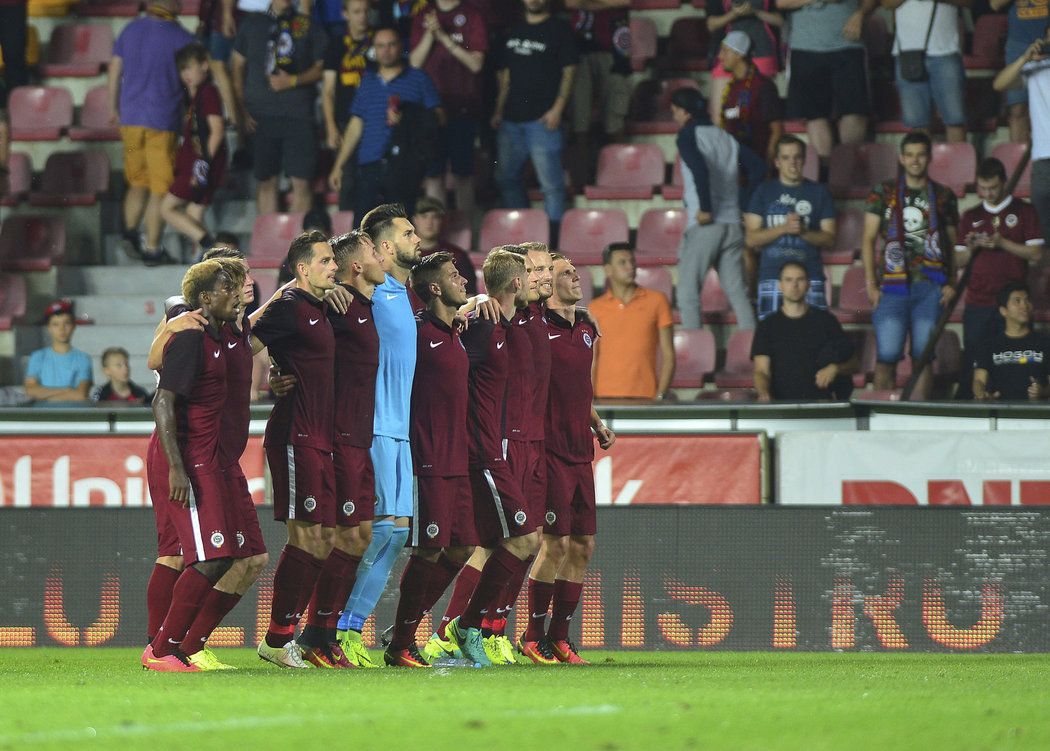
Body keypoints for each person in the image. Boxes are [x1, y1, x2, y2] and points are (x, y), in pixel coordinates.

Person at [142, 260, 243, 671]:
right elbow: (161, 399)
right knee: (191, 555)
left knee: (211, 556)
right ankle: (161, 647)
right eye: (230, 286)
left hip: (208, 456)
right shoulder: (188, 333)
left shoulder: (218, 335)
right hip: (189, 458)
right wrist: (177, 468)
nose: (238, 291)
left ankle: (171, 645)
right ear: (204, 296)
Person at [336, 204, 423, 667]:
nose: (418, 240)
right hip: (370, 428)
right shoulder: (362, 294)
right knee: (373, 534)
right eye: (408, 234)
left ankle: (351, 629)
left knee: (395, 536)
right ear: (384, 246)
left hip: (400, 431)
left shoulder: (406, 296)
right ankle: (331, 628)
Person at [441, 249, 535, 667]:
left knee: (479, 543)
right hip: (481, 452)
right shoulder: (479, 323)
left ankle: (458, 628)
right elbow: (444, 343)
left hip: (494, 447)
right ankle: (464, 625)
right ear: (517, 282)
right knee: (521, 539)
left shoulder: (505, 325)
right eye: (532, 273)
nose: (539, 280)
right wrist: (466, 305)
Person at [250, 231, 339, 668]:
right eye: (324, 260)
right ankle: (277, 639)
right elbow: (243, 343)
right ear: (302, 268)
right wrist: (265, 381)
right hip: (294, 434)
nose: (333, 266)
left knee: (324, 539)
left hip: (322, 437)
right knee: (306, 537)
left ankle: (284, 636)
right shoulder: (287, 306)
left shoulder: (322, 308)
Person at [524, 253, 615, 665]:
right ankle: (532, 634)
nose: (575, 278)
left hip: (581, 449)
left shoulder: (585, 329)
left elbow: (581, 388)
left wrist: (597, 423)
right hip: (550, 450)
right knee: (554, 543)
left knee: (583, 544)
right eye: (565, 274)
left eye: (576, 273)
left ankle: (560, 637)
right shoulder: (535, 327)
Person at [385, 251, 473, 668]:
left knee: (461, 548)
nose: (465, 281)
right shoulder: (417, 334)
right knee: (429, 551)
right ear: (435, 288)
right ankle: (401, 641)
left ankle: (403, 628)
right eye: (455, 276)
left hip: (458, 457)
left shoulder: (455, 331)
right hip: (427, 456)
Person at [862, 131, 959, 398]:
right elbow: (868, 239)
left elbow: (952, 244)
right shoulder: (883, 192)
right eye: (910, 155)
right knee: (887, 355)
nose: (915, 161)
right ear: (902, 159)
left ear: (929, 158)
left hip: (930, 286)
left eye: (921, 155)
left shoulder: (943, 195)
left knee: (923, 356)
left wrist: (952, 281)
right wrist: (871, 285)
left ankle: (919, 416)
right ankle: (880, 417)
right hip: (892, 287)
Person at [109, 0, 196, 264]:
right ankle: (153, 248)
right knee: (160, 188)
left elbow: (114, 70)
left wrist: (113, 108)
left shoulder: (130, 30)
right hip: (162, 121)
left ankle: (130, 232)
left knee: (137, 182)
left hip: (130, 120)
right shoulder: (182, 37)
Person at [329, 27, 442, 224]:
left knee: (400, 233)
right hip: (369, 164)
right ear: (374, 49)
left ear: (401, 47)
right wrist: (338, 165)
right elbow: (356, 124)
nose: (386, 50)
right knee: (362, 232)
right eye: (380, 46)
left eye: (391, 44)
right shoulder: (367, 81)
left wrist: (408, 116)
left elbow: (440, 117)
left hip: (404, 166)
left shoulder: (418, 78)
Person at [954, 157, 1044, 398]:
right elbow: (959, 260)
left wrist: (1002, 242)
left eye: (993, 187)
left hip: (1014, 302)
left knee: (1021, 360)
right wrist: (972, 247)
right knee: (976, 359)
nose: (988, 193)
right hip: (978, 300)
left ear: (1004, 182)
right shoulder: (970, 215)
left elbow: (1036, 253)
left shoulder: (1023, 210)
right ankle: (979, 405)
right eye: (982, 188)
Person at [670, 87, 757, 331]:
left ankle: (695, 356)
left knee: (687, 293)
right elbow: (758, 168)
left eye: (675, 112)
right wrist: (744, 203)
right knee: (739, 295)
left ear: (685, 113)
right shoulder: (725, 136)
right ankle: (754, 351)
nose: (675, 117)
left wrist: (706, 208)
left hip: (706, 225)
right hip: (732, 225)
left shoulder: (687, 135)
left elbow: (700, 169)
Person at [232, 0, 328, 214]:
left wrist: (293, 80)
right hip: (261, 115)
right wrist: (241, 110)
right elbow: (237, 66)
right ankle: (269, 246)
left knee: (302, 184)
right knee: (266, 182)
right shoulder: (252, 23)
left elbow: (322, 67)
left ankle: (299, 247)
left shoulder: (307, 24)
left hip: (298, 115)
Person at [492, 0, 578, 228]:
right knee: (505, 179)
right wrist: (498, 111)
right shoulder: (513, 31)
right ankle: (523, 234)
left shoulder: (560, 29)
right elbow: (505, 77)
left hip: (544, 120)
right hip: (511, 120)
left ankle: (553, 239)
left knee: (551, 185)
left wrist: (558, 109)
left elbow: (570, 71)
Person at [775, 0, 876, 173]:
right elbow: (781, 2)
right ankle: (825, 172)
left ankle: (847, 171)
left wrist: (861, 14)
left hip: (848, 44)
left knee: (855, 112)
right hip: (805, 47)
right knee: (814, 115)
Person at [409, 0, 488, 217]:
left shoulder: (471, 14)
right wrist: (430, 34)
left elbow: (476, 64)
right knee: (434, 175)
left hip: (463, 106)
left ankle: (466, 237)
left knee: (463, 174)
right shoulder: (423, 14)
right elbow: (414, 63)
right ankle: (439, 237)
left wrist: (443, 36)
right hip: (431, 110)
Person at [744, 135, 836, 320]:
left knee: (815, 337)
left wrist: (803, 231)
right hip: (772, 277)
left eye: (797, 157)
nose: (792, 163)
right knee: (772, 342)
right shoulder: (763, 191)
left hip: (810, 277)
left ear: (804, 160)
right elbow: (751, 238)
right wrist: (784, 228)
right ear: (777, 162)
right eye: (786, 158)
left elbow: (830, 239)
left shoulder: (819, 192)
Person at [161, 43, 229, 262]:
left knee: (167, 208)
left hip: (201, 164)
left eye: (190, 68)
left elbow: (217, 131)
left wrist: (202, 165)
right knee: (194, 213)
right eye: (182, 70)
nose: (186, 74)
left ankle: (210, 246)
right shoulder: (196, 95)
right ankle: (211, 258)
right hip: (200, 163)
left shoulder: (208, 93)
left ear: (205, 66)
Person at [751, 261, 855, 401]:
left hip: (820, 406)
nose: (794, 285)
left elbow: (854, 363)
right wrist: (763, 393)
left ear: (808, 285)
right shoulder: (767, 326)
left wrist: (835, 368)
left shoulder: (826, 321)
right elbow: (761, 371)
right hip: (781, 406)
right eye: (788, 280)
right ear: (780, 286)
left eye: (800, 279)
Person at [589, 242, 675, 399]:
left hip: (646, 397)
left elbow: (669, 355)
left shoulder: (657, 301)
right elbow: (591, 358)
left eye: (632, 261)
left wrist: (660, 395)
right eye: (622, 262)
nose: (630, 267)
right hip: (604, 397)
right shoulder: (595, 308)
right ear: (608, 270)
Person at [993, 25, 1050, 245]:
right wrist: (1025, 58)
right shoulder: (1035, 66)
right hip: (1043, 160)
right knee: (1042, 232)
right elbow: (999, 84)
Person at [564, 0, 631, 186]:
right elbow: (570, 2)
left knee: (615, 122)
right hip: (578, 52)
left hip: (616, 50)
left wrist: (587, 4)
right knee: (580, 122)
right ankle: (582, 184)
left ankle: (619, 180)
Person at [884, 0, 968, 144]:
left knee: (955, 119)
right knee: (917, 124)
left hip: (945, 52)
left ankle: (958, 164)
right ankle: (924, 166)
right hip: (907, 53)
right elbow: (886, 4)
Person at [322, 0, 373, 210]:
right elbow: (328, 91)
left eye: (366, 11)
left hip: (375, 120)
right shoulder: (336, 44)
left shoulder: (379, 41)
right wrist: (331, 127)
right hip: (345, 119)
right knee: (347, 179)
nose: (362, 16)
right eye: (357, 12)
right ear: (345, 14)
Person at [706, 0, 782, 126]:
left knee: (758, 113)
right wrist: (734, 14)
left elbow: (780, 21)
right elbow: (711, 24)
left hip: (762, 52)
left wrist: (755, 12)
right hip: (727, 53)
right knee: (720, 117)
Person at [715, 30, 783, 165]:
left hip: (758, 162)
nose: (720, 56)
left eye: (725, 51)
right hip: (735, 162)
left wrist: (768, 166)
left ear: (738, 54)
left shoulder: (763, 86)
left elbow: (777, 130)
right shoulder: (732, 87)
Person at [973, 281, 1050, 400]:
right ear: (1003, 311)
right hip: (1001, 413)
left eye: (1027, 300)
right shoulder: (989, 345)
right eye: (1017, 301)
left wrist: (1043, 392)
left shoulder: (1045, 342)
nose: (1024, 305)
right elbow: (978, 380)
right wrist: (981, 393)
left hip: (1037, 414)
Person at [992, 0, 1048, 142]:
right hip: (1019, 42)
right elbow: (994, 4)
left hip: (1048, 38)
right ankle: (1018, 159)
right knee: (1017, 108)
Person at [24, 300, 92, 402]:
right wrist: (67, 390)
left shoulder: (83, 358)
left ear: (74, 326)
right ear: (49, 328)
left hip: (73, 415)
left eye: (66, 323)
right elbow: (30, 391)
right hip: (42, 415)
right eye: (55, 324)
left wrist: (43, 395)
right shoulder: (37, 356)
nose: (61, 329)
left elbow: (80, 395)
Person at [413, 195, 477, 295]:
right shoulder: (404, 256)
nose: (429, 222)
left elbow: (469, 295)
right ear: (415, 219)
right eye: (424, 216)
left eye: (435, 217)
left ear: (442, 221)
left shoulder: (457, 256)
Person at [196, 0, 239, 128]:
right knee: (212, 67)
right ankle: (225, 116)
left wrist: (227, 14)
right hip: (211, 18)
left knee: (218, 66)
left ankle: (233, 118)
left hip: (223, 18)